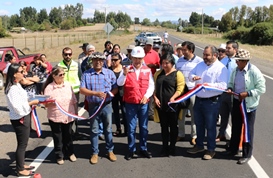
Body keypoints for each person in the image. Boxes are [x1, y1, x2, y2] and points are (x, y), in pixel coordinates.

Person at [224, 49, 266, 164]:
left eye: (238, 61)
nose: (236, 63)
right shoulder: (235, 70)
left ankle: (247, 154)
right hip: (237, 101)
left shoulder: (254, 71)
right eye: (236, 60)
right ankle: (233, 149)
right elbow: (231, 83)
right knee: (236, 126)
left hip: (248, 104)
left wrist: (247, 93)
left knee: (248, 130)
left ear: (245, 61)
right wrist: (230, 89)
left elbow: (262, 88)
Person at [187, 45, 228, 160]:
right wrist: (193, 77)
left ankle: (211, 149)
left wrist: (208, 86)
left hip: (212, 102)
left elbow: (223, 86)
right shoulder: (200, 65)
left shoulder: (221, 68)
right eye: (204, 54)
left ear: (215, 55)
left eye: (207, 55)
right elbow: (191, 74)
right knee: (199, 124)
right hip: (199, 99)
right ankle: (199, 145)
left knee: (210, 126)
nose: (204, 57)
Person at [80, 52, 118, 164]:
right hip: (93, 106)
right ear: (92, 61)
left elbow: (115, 88)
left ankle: (110, 151)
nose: (98, 62)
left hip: (106, 105)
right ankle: (95, 153)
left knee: (108, 129)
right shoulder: (86, 74)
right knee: (94, 130)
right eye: (95, 60)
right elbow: (82, 90)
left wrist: (109, 94)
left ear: (104, 61)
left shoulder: (109, 73)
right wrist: (95, 93)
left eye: (100, 60)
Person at [117, 46, 154, 160]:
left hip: (143, 103)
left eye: (140, 58)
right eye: (135, 58)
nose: (137, 61)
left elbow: (151, 86)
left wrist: (146, 96)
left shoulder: (147, 70)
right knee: (131, 127)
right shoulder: (126, 69)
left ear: (143, 58)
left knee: (143, 127)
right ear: (131, 57)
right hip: (130, 103)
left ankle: (143, 148)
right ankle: (131, 149)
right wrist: (124, 74)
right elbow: (119, 83)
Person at [5, 63, 39, 177]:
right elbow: (18, 108)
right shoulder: (12, 89)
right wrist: (31, 103)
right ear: (15, 74)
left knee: (23, 143)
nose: (24, 73)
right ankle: (20, 169)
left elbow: (23, 99)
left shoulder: (17, 85)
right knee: (22, 144)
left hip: (24, 116)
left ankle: (21, 164)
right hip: (20, 118)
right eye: (21, 71)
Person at [43, 66, 78, 165]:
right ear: (54, 76)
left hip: (68, 115)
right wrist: (51, 102)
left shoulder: (67, 85)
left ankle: (70, 153)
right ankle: (59, 155)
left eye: (64, 74)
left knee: (68, 136)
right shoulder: (49, 88)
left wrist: (75, 112)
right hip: (55, 117)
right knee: (58, 137)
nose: (63, 76)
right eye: (60, 75)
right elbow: (45, 104)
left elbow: (73, 99)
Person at [154, 53, 185, 156]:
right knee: (164, 127)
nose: (164, 65)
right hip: (161, 105)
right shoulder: (158, 74)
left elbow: (180, 88)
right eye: (162, 63)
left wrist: (174, 97)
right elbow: (153, 87)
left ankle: (172, 147)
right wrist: (155, 98)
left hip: (173, 106)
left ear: (172, 63)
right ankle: (164, 147)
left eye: (167, 63)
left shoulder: (177, 74)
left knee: (173, 127)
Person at [175, 41, 203, 145]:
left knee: (194, 116)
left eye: (184, 50)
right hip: (182, 92)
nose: (182, 51)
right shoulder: (179, 60)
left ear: (191, 50)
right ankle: (181, 134)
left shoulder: (200, 62)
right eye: (182, 49)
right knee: (181, 115)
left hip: (193, 92)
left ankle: (194, 136)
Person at [216, 41, 238, 142]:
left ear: (235, 49)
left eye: (229, 48)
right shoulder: (223, 61)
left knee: (235, 118)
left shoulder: (239, 62)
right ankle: (221, 134)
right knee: (223, 114)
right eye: (226, 48)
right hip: (223, 92)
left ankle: (235, 139)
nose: (226, 50)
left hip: (234, 93)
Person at [57, 47, 81, 137]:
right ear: (62, 55)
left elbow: (80, 77)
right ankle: (67, 130)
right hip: (63, 92)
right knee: (65, 111)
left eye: (69, 54)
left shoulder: (76, 64)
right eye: (66, 54)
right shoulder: (59, 66)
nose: (68, 56)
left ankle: (76, 129)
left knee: (75, 111)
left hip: (75, 91)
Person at [110, 53, 127, 136]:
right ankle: (118, 128)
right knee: (116, 111)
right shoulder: (109, 70)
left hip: (123, 93)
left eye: (115, 60)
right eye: (112, 60)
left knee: (124, 111)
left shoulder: (124, 69)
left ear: (120, 60)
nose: (113, 61)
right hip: (113, 93)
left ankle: (127, 129)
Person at [143, 39, 160, 121]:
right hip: (142, 76)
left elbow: (158, 65)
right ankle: (143, 112)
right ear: (145, 45)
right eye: (147, 45)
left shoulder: (155, 54)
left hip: (151, 75)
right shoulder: (141, 52)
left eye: (150, 45)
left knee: (152, 94)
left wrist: (151, 65)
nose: (149, 47)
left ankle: (150, 112)